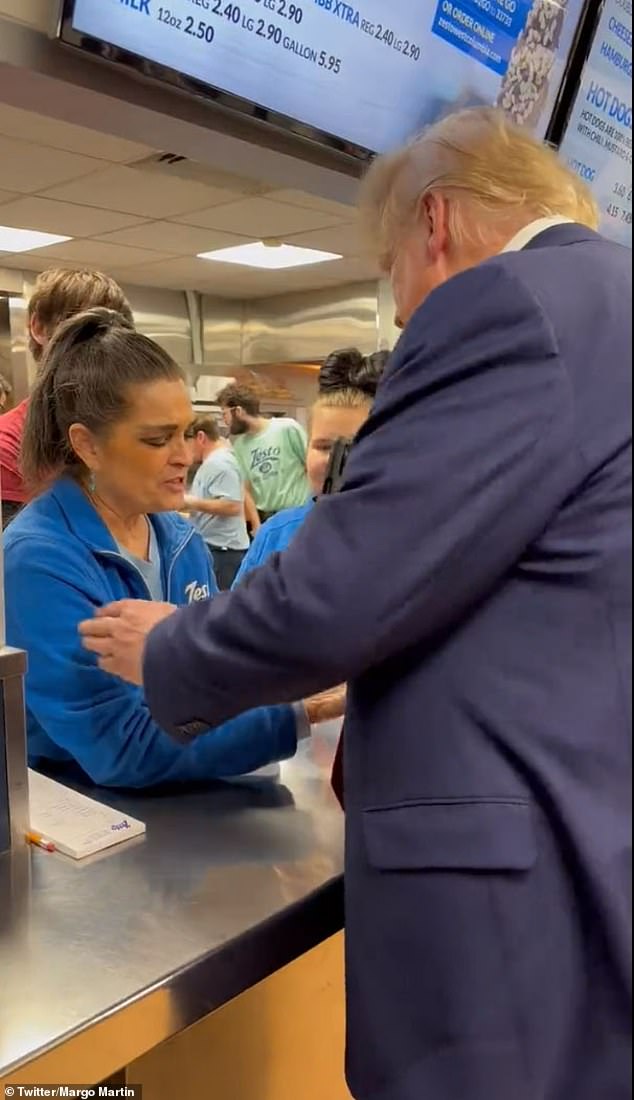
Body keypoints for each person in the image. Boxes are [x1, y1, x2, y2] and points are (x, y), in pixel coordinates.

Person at [81, 108, 631, 1100]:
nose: (406, 313)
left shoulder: (511, 305)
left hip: (500, 895)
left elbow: (344, 593)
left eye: (393, 274)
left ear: (432, 223)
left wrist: (171, 649)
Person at [4, 309, 342, 789]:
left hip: (191, 802)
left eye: (186, 433)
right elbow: (121, 745)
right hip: (92, 817)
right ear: (88, 445)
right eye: (157, 439)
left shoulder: (179, 539)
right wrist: (302, 711)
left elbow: (206, 686)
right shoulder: (39, 560)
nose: (183, 455)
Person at [234, 348, 389, 580]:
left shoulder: (415, 538)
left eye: (352, 446)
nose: (334, 460)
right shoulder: (276, 535)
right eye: (323, 447)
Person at [0, 268, 133, 529]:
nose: (101, 347)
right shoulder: (8, 446)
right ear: (38, 327)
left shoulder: (126, 429)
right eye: (83, 332)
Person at [217, 383, 310, 522]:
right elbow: (246, 489)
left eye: (224, 413)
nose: (224, 421)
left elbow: (311, 466)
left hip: (298, 514)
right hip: (267, 519)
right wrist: (256, 525)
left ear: (238, 411)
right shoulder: (240, 445)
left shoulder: (287, 428)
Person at [184, 416, 249, 590]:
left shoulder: (220, 463)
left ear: (200, 437)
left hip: (223, 550)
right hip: (216, 547)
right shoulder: (214, 462)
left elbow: (232, 505)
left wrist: (191, 502)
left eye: (186, 441)